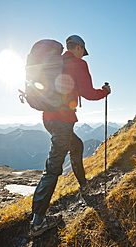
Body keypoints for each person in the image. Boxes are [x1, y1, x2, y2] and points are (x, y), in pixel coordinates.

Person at [30, 35, 111, 237]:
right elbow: (89, 93)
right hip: (63, 120)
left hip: (49, 119)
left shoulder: (54, 62)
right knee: (53, 168)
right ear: (78, 48)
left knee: (76, 146)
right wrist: (105, 91)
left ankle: (84, 187)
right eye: (83, 51)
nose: (84, 55)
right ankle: (37, 222)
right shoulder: (78, 63)